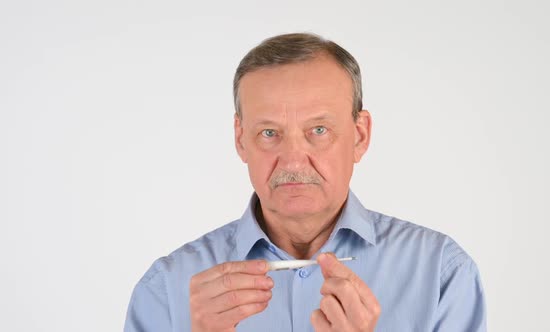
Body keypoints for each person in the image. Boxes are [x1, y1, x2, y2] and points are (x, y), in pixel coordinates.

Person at [124, 33, 487, 332]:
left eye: (318, 130)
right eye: (269, 133)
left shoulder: (441, 273)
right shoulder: (167, 288)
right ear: (240, 139)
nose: (294, 160)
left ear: (359, 136)